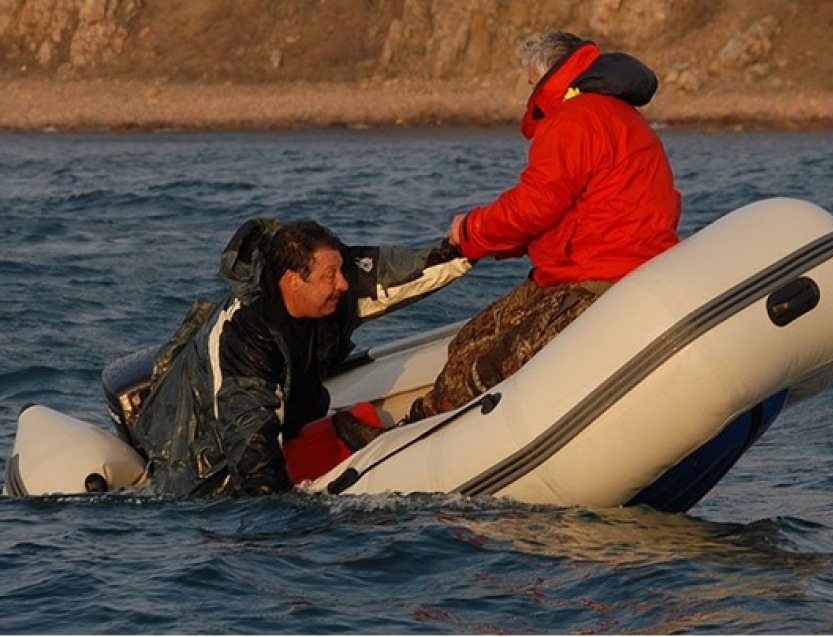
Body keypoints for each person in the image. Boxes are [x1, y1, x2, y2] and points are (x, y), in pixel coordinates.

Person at [405, 30, 681, 422]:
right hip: (595, 265)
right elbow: (564, 211)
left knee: (477, 369)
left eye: (531, 84)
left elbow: (535, 205)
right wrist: (495, 241)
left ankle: (419, 432)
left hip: (597, 275)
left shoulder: (577, 118)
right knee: (472, 337)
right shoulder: (611, 112)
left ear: (548, 76)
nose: (529, 94)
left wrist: (471, 231)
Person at [127, 218, 471, 497]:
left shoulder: (333, 281)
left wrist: (477, 241)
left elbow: (405, 272)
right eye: (330, 277)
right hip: (204, 465)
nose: (344, 285)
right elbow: (250, 441)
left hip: (291, 417)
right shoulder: (245, 335)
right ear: (293, 281)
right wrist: (283, 516)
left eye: (341, 271)